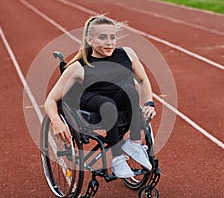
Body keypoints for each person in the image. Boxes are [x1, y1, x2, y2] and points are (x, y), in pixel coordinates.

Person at [45, 14, 156, 178]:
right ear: (90, 40)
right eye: (103, 38)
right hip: (91, 102)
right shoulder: (78, 67)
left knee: (130, 89)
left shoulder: (127, 54)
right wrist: (56, 121)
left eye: (112, 37)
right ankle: (117, 159)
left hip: (118, 100)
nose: (109, 42)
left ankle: (134, 144)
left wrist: (149, 103)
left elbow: (142, 78)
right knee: (108, 105)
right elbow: (51, 100)